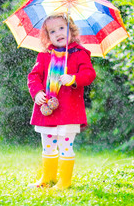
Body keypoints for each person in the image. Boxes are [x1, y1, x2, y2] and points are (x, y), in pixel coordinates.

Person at [27, 12, 96, 189]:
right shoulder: (45, 55)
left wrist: (73, 79)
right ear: (47, 36)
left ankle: (64, 181)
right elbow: (33, 77)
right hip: (47, 110)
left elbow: (89, 74)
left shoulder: (79, 54)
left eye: (61, 28)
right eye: (52, 31)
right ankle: (47, 178)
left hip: (68, 111)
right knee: (48, 145)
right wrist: (37, 93)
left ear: (71, 31)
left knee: (66, 144)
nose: (57, 33)